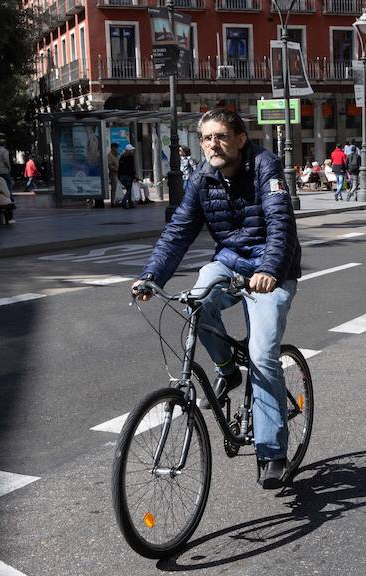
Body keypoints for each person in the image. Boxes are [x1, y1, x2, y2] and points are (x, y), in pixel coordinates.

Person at [132, 107, 301, 489]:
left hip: (273, 270)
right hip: (230, 264)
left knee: (262, 357)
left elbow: (280, 225)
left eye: (221, 136)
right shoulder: (202, 179)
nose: (212, 144)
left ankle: (273, 452)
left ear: (241, 138)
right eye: (206, 138)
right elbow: (178, 231)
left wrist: (270, 271)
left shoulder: (265, 167)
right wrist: (150, 276)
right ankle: (226, 369)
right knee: (196, 301)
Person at [118, 143, 138, 209]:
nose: (132, 151)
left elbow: (119, 167)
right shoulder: (130, 157)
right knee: (129, 190)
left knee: (128, 190)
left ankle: (130, 204)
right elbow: (131, 168)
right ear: (129, 151)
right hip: (128, 176)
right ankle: (124, 202)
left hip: (121, 176)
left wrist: (119, 176)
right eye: (131, 150)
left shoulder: (122, 157)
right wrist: (134, 176)